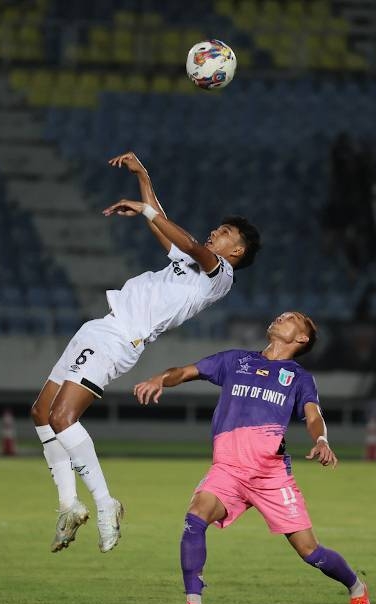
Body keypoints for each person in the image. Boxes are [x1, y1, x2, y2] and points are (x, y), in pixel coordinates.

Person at [31, 150, 261, 554]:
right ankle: (68, 505)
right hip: (100, 327)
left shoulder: (220, 276)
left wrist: (147, 211)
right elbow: (168, 230)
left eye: (225, 232)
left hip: (120, 338)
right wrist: (143, 177)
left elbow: (185, 238)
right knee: (42, 413)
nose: (215, 232)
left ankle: (106, 504)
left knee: (64, 419)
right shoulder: (188, 263)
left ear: (236, 251)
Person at [133, 311, 372, 604]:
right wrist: (160, 378)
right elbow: (186, 371)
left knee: (310, 551)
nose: (280, 317)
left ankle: (357, 589)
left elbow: (313, 416)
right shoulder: (236, 361)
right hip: (228, 470)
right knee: (195, 516)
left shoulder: (298, 377)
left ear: (302, 338)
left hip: (270, 475)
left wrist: (322, 440)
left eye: (291, 318)